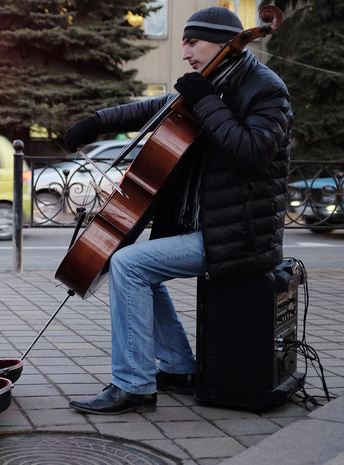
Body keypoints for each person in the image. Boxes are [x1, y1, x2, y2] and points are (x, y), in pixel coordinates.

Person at [62, 7, 292, 414]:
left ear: (222, 42)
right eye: (183, 41)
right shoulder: (213, 81)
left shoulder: (266, 89)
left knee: (129, 264)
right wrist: (95, 121)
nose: (184, 52)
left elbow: (251, 153)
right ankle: (179, 366)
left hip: (240, 235)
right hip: (209, 227)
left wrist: (206, 101)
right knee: (131, 265)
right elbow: (155, 108)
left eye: (192, 42)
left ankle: (134, 385)